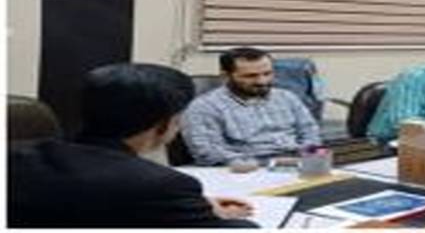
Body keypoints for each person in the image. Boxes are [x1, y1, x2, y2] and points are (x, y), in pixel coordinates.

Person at [9, 63, 257, 227]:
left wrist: (193, 206)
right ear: (164, 124)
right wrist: (199, 212)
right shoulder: (162, 185)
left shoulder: (15, 158)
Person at [181, 47, 321, 166]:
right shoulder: (205, 107)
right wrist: (269, 163)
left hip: (297, 163)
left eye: (267, 73)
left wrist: (308, 154)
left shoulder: (287, 97)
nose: (262, 81)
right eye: (250, 76)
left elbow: (310, 131)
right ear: (225, 76)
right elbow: (207, 153)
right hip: (246, 169)